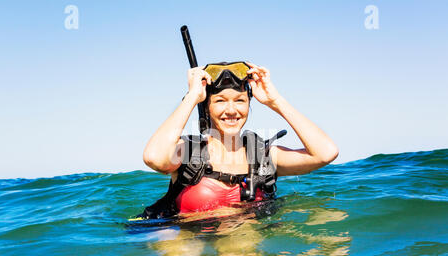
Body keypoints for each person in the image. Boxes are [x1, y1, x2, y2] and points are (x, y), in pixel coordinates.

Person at [139, 61, 338, 219]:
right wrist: (191, 98)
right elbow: (154, 158)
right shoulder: (189, 153)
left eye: (240, 100)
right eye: (220, 101)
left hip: (242, 245)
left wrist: (276, 101)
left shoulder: (262, 157)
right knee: (185, 251)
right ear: (206, 107)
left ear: (250, 103)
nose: (232, 110)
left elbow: (325, 153)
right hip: (187, 238)